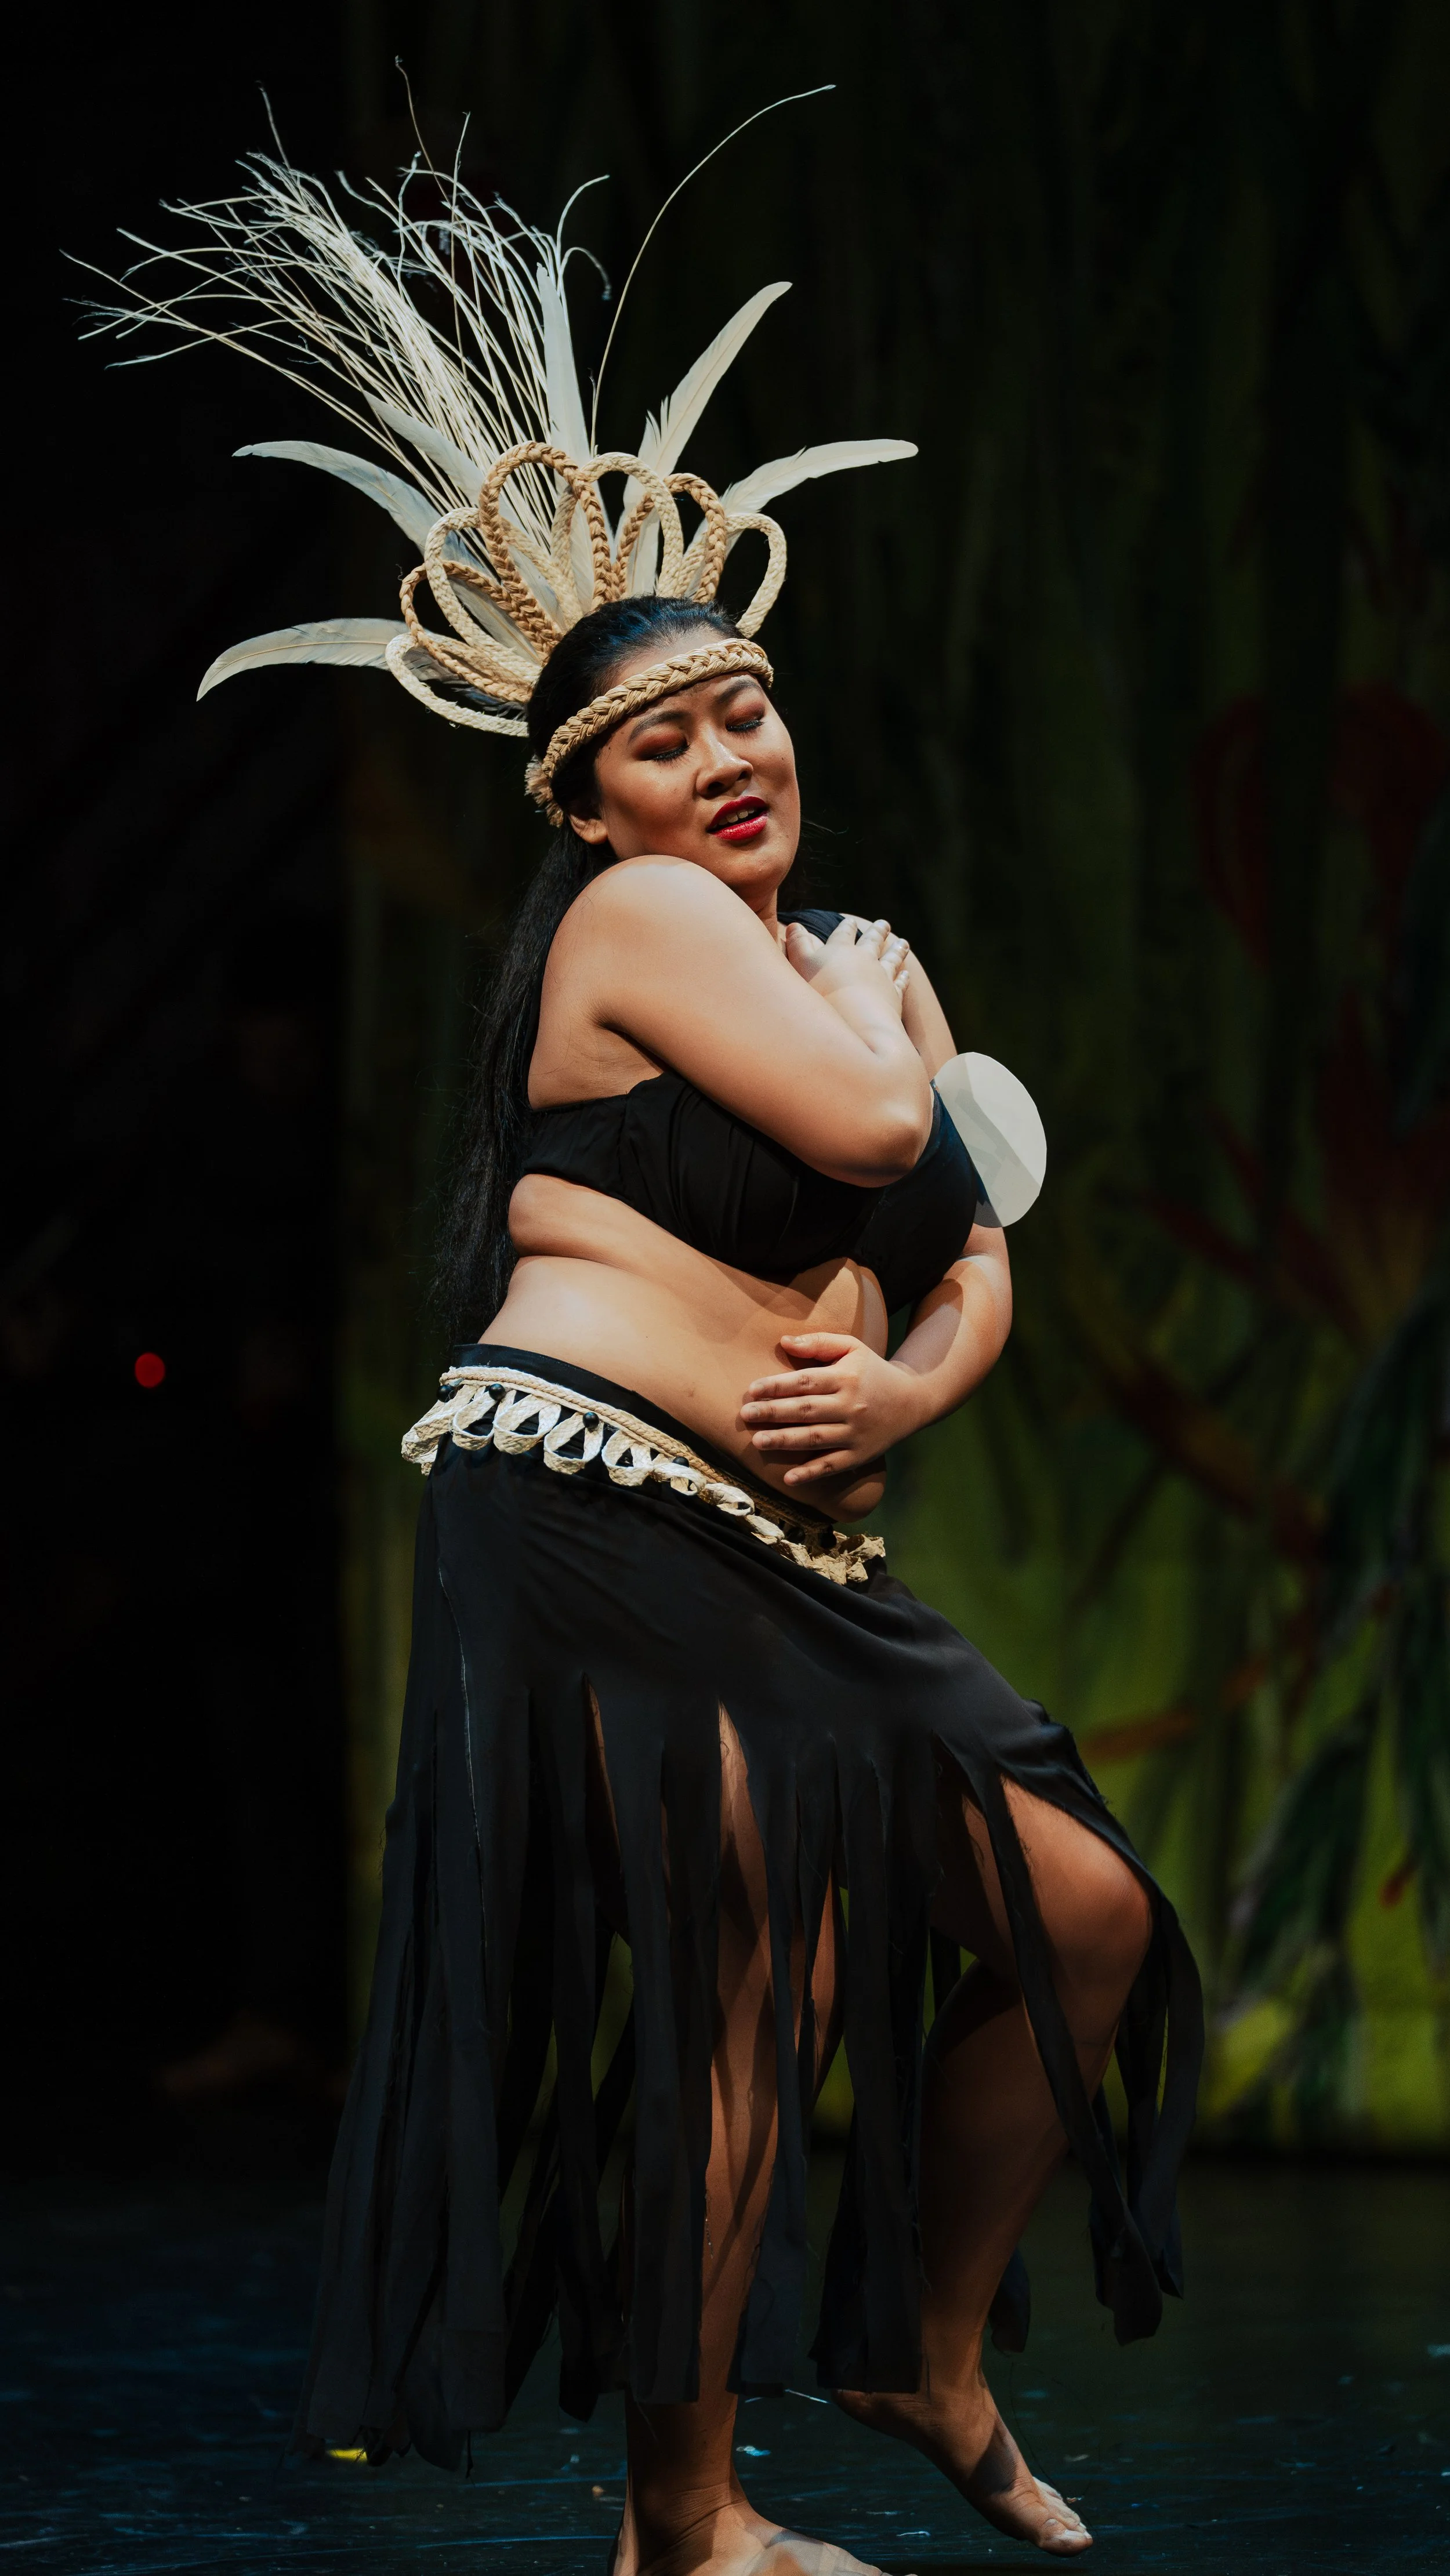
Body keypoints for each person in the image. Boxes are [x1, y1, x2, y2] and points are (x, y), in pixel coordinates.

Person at [88, 142, 1201, 2571]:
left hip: (795, 1528)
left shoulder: (809, 955)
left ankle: (919, 2349)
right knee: (744, 2000)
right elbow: (905, 1118)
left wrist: (912, 1386)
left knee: (1083, 1916)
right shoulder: (657, 924)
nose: (730, 751)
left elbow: (975, 1241)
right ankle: (683, 2528)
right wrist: (887, 1012)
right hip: (597, 1506)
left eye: (753, 706)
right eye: (672, 732)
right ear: (583, 796)